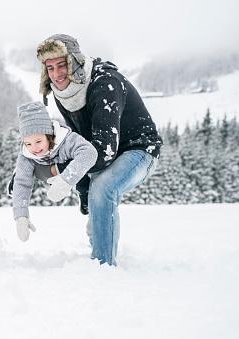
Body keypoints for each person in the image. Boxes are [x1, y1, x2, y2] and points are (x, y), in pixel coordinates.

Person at [36, 34, 163, 265]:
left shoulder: (104, 83)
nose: (57, 74)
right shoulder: (63, 93)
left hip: (140, 150)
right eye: (50, 68)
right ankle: (98, 245)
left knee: (103, 188)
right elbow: (81, 143)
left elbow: (103, 151)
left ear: (75, 61)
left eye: (62, 65)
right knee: (95, 193)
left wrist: (64, 172)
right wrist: (84, 193)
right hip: (104, 152)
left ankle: (103, 266)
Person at [12, 101, 97, 241]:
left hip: (83, 172)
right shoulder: (27, 155)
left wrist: (66, 180)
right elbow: (22, 183)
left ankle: (86, 196)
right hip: (46, 173)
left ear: (49, 134)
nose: (34, 148)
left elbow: (89, 153)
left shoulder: (67, 140)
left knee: (83, 177)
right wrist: (21, 216)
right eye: (28, 143)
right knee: (20, 176)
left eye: (38, 141)